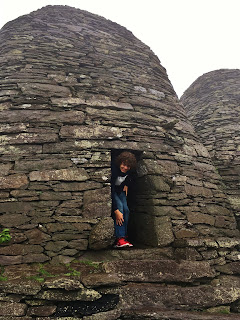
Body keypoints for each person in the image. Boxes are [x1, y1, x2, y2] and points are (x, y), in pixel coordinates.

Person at [111, 151, 137, 248]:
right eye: (124, 164)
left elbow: (132, 177)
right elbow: (111, 189)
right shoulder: (114, 171)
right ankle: (119, 238)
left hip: (121, 191)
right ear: (120, 162)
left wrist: (126, 185)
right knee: (120, 209)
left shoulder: (130, 172)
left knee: (126, 210)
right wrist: (115, 210)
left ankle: (124, 237)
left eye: (128, 166)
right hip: (113, 191)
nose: (125, 168)